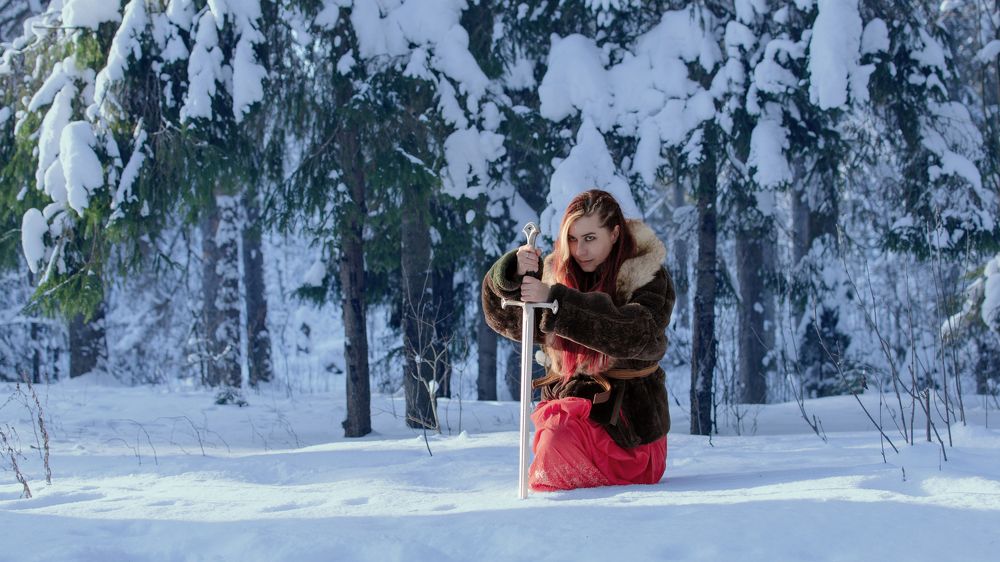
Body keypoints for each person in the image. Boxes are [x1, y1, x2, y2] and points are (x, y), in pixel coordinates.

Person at [482, 189, 675, 492]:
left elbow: (637, 334)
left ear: (614, 233)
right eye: (572, 239)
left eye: (590, 238)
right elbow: (508, 320)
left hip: (629, 435)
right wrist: (512, 274)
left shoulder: (647, 275)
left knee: (558, 438)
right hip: (567, 418)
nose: (580, 249)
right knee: (557, 437)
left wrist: (558, 304)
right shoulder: (558, 274)